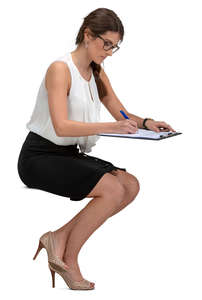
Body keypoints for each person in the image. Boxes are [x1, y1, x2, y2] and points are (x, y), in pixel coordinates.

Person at [17, 8, 176, 290]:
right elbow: (61, 126)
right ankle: (70, 257)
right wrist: (108, 127)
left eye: (115, 47)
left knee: (130, 185)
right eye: (107, 44)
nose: (110, 52)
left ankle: (58, 237)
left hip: (67, 155)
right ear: (88, 35)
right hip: (38, 157)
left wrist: (148, 123)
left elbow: (121, 114)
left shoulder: (97, 72)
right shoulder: (59, 69)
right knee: (113, 189)